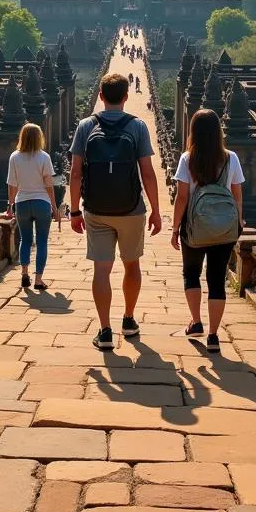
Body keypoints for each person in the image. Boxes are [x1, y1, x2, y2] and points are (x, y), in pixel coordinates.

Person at [69, 71, 162, 349]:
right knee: (131, 264)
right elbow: (147, 173)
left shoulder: (86, 126)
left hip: (96, 209)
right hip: (131, 208)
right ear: (126, 96)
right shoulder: (138, 127)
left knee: (102, 270)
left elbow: (75, 173)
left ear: (100, 95)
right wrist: (156, 210)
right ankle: (129, 319)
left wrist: (74, 211)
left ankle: (105, 330)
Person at [171, 108, 245, 353]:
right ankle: (214, 336)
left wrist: (174, 228)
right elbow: (237, 195)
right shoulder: (230, 158)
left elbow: (182, 198)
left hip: (194, 227)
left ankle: (196, 322)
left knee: (191, 274)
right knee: (217, 280)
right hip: (224, 229)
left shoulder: (187, 159)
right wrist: (238, 221)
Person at [6, 122, 57, 290]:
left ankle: (24, 274)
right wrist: (55, 208)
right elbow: (49, 185)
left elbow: (12, 184)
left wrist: (10, 205)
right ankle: (38, 280)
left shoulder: (15, 157)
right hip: (42, 202)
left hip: (22, 202)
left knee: (25, 240)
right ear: (39, 138)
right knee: (42, 241)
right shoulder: (44, 157)